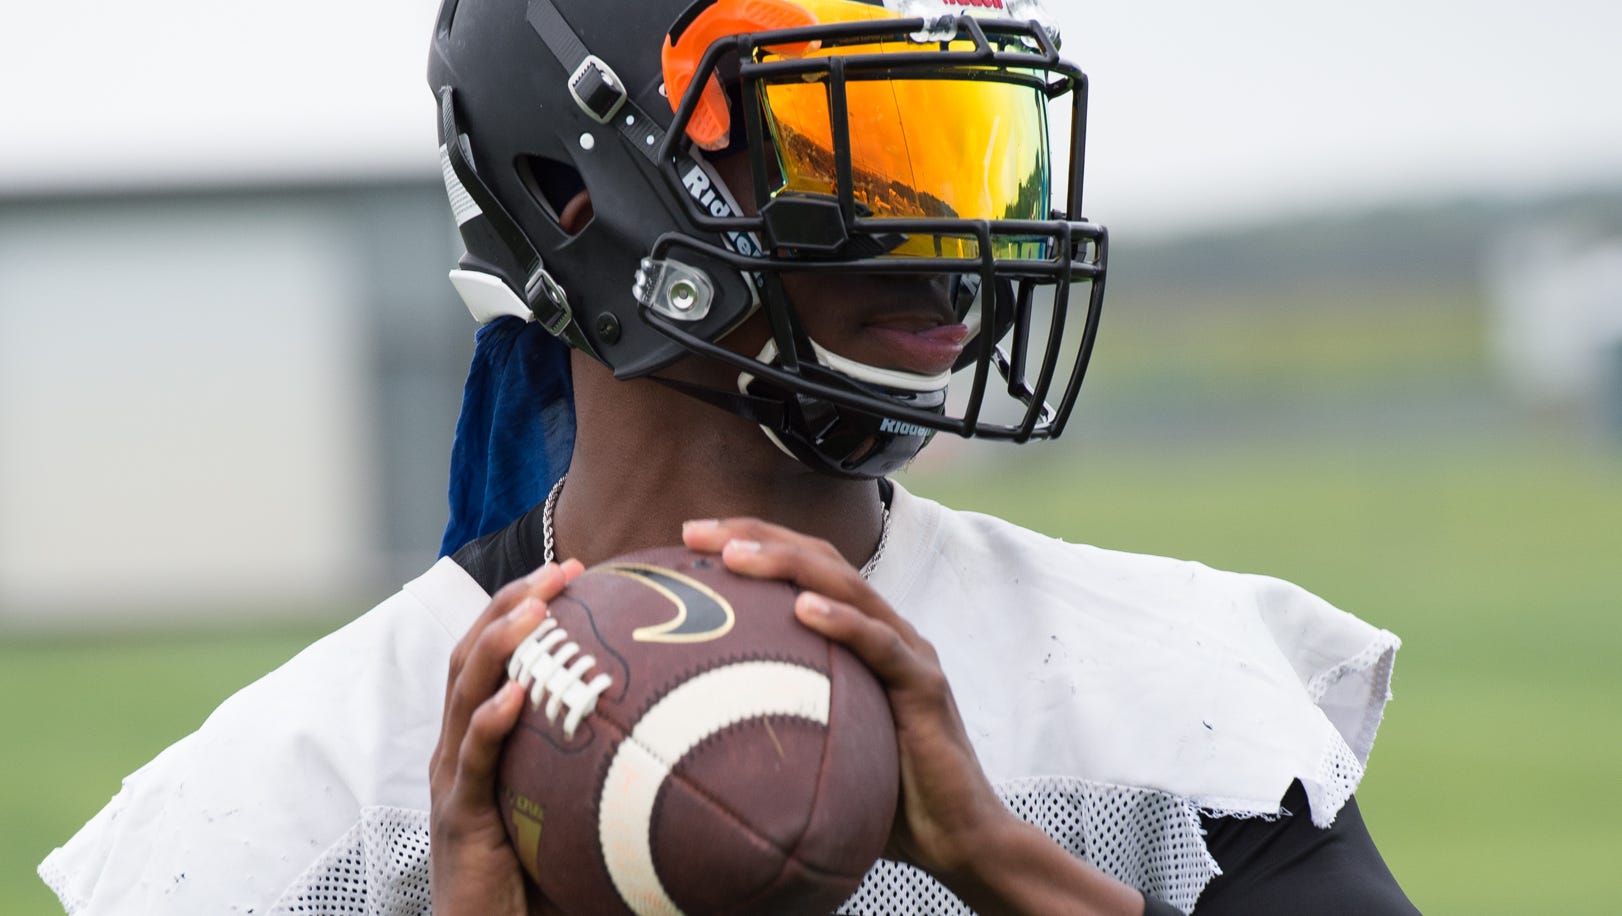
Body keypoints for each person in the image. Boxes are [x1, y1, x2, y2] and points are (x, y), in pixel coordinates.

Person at [39, 1, 1418, 914]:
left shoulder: (1170, 684)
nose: (950, 239)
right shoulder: (295, 807)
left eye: (974, 157)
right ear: (576, 196)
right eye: (870, 159)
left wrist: (1002, 865)